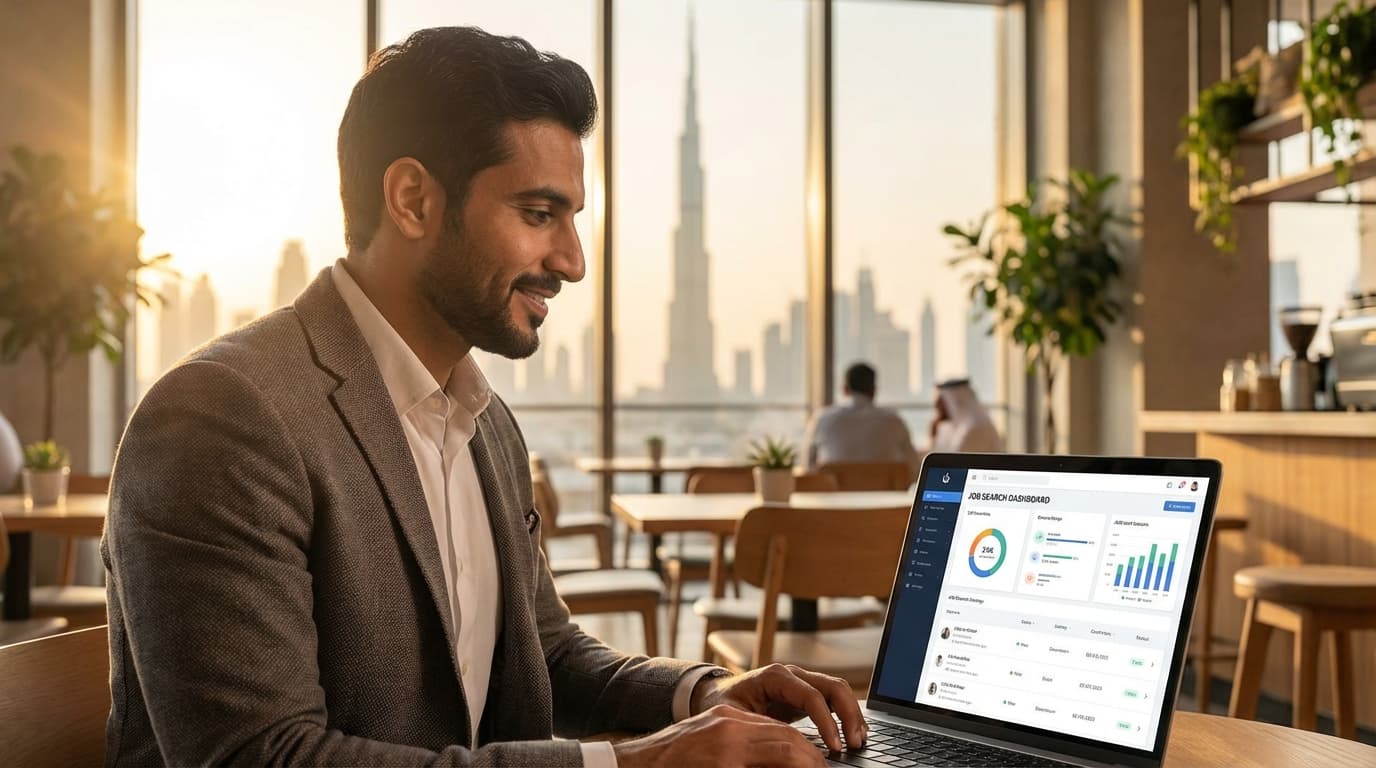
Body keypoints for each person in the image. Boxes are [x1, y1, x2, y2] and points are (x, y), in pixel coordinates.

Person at [102, 27, 864, 767]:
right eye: (539, 215)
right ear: (413, 200)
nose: (572, 261)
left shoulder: (485, 421)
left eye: (572, 219)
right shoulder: (222, 418)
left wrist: (704, 694)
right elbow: (263, 757)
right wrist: (633, 766)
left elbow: (548, 653)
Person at [800, 362, 921, 476]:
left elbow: (806, 466)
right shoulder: (895, 421)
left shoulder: (822, 419)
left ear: (845, 389)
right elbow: (914, 468)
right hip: (886, 495)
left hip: (834, 496)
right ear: (874, 390)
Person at [929, 378, 1003, 453]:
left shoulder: (975, 427)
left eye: (942, 403)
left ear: (956, 402)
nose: (938, 408)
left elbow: (955, 459)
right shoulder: (951, 425)